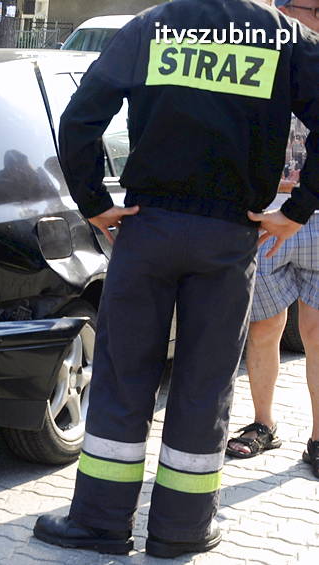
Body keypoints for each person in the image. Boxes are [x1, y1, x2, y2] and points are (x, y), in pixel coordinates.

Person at [32, 0, 319, 558]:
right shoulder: (285, 38)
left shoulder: (151, 25)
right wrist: (298, 209)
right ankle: (182, 528)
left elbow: (81, 117)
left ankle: (99, 523)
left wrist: (93, 201)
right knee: (206, 382)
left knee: (123, 375)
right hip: (229, 237)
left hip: (148, 230)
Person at [226, 0, 319, 480]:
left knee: (317, 334)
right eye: (313, 8)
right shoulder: (259, 57)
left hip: (315, 215)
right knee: (264, 329)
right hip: (263, 216)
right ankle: (263, 424)